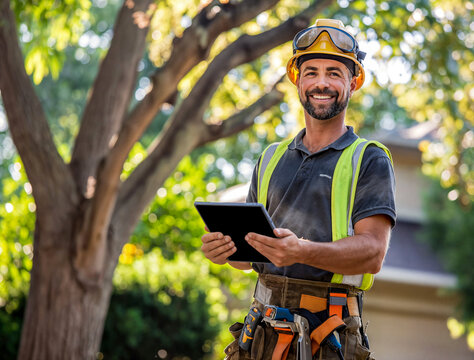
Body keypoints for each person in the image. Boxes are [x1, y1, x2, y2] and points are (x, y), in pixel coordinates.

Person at [201, 19, 396, 360]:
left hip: (327, 336)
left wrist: (302, 251)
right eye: (312, 72)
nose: (322, 83)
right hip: (260, 333)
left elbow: (373, 253)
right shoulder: (271, 158)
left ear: (353, 82)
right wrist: (228, 251)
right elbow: (250, 259)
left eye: (334, 73)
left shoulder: (369, 159)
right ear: (297, 80)